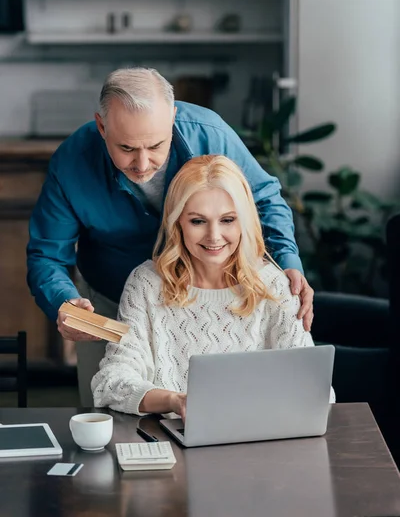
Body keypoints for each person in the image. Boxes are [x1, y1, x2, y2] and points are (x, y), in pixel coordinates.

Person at [27, 67, 314, 406]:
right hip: (110, 295)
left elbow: (263, 197)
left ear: (173, 118)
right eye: (126, 148)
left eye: (155, 145)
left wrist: (288, 262)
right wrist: (63, 302)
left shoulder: (209, 134)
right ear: (102, 126)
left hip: (211, 291)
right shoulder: (72, 161)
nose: (142, 163)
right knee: (109, 406)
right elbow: (46, 255)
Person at [92, 155, 334, 417]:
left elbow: (317, 389)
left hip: (260, 441)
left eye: (228, 220)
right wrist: (175, 401)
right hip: (171, 441)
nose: (214, 236)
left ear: (244, 221)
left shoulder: (274, 286)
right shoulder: (146, 283)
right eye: (198, 221)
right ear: (178, 222)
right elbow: (111, 382)